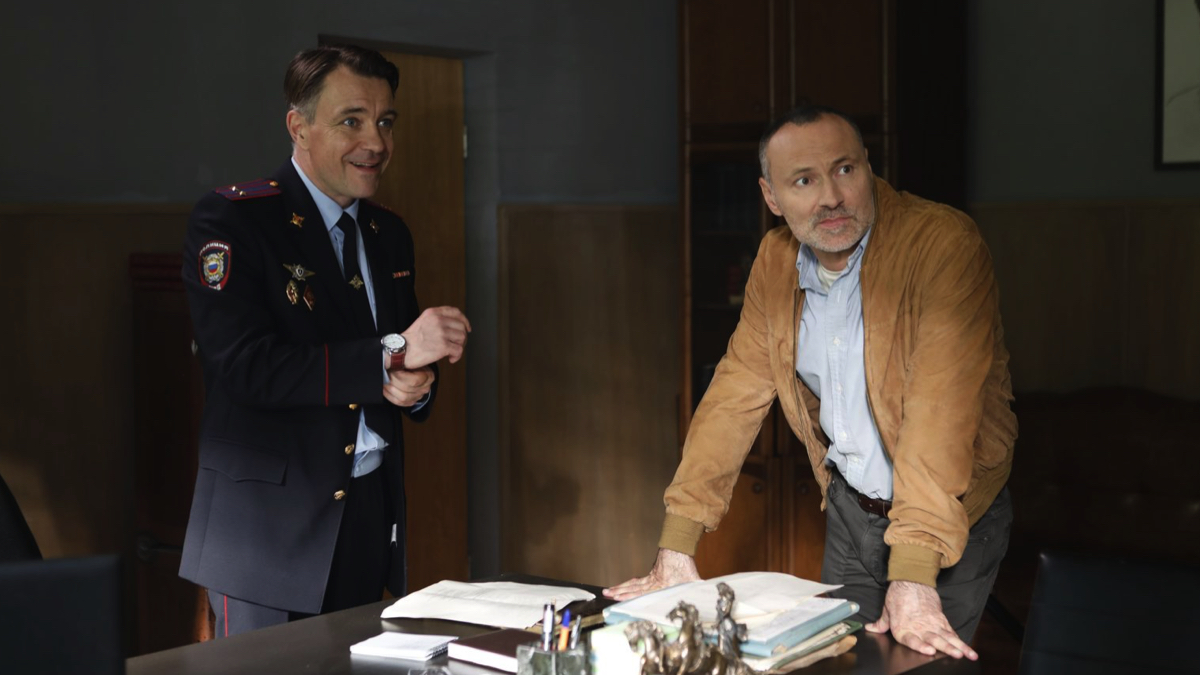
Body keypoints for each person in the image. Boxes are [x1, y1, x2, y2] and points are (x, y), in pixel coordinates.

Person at [606, 105, 1017, 661]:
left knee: (914, 666)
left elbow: (938, 414)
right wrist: (678, 543)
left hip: (949, 518)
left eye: (845, 170)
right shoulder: (775, 262)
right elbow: (733, 398)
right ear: (771, 197)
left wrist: (915, 575)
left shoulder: (942, 244)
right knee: (835, 665)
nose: (831, 197)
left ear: (867, 166)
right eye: (803, 180)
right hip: (852, 513)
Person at [178, 44, 470, 636]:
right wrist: (393, 355)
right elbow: (246, 368)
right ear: (299, 127)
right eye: (351, 121)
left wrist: (415, 385)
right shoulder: (234, 220)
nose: (376, 142)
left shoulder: (389, 233)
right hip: (266, 536)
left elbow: (399, 363)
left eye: (385, 121)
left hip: (365, 520)